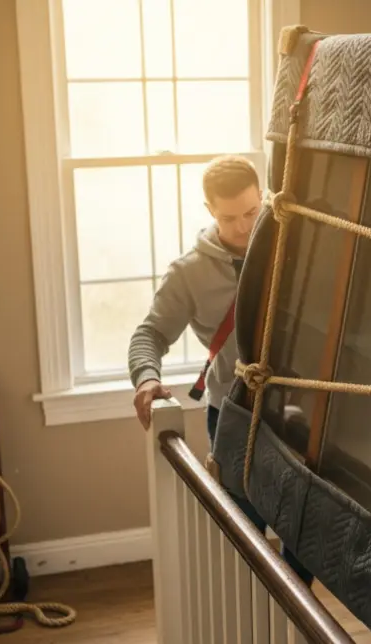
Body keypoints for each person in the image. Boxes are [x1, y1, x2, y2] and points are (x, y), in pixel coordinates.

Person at [129, 155, 313, 586]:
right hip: (232, 413)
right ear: (210, 210)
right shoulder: (188, 273)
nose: (245, 227)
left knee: (305, 531)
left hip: (300, 410)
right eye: (229, 217)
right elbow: (150, 333)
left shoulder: (296, 248)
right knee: (245, 533)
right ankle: (255, 637)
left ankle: (300, 636)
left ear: (264, 199)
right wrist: (147, 377)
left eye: (252, 212)